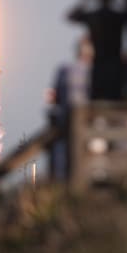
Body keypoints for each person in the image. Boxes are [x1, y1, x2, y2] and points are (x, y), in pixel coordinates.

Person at [67, 0, 127, 100]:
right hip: (116, 66)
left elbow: (71, 16)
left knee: (96, 103)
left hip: (98, 65)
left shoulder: (93, 15)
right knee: (115, 103)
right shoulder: (118, 16)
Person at [46, 37, 92, 180]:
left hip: (64, 124)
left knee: (61, 162)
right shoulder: (92, 72)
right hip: (87, 126)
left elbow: (54, 97)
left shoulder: (64, 70)